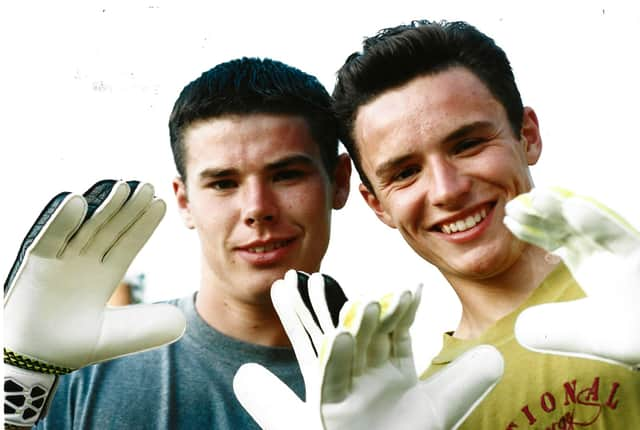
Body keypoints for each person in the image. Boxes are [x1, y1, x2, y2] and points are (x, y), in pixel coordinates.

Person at [4, 57, 352, 429]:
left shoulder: (405, 385)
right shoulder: (74, 369)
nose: (257, 209)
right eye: (223, 183)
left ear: (340, 181)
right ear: (184, 201)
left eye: (286, 175)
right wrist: (15, 390)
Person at [329, 20, 640, 428]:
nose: (447, 191)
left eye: (468, 144)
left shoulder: (630, 295)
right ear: (376, 205)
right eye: (405, 172)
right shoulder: (418, 411)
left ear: (527, 136)